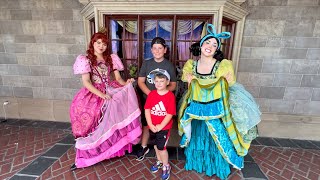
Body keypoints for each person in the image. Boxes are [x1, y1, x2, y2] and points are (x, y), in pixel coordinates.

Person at [178, 24, 260, 179]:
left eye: (215, 45)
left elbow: (229, 82)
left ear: (217, 50)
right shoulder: (192, 65)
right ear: (201, 44)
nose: (210, 46)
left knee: (218, 136)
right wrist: (190, 78)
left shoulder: (222, 65)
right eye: (208, 42)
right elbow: (187, 80)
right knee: (197, 134)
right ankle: (199, 162)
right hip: (197, 106)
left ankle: (216, 164)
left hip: (217, 106)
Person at [69, 32, 142, 170]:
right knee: (92, 120)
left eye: (104, 43)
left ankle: (114, 149)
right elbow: (86, 82)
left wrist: (127, 83)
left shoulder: (111, 58)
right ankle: (86, 156)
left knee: (117, 114)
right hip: (94, 94)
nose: (101, 46)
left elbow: (118, 79)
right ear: (92, 43)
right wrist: (102, 96)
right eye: (98, 43)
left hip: (110, 89)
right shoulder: (86, 59)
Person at [136, 37, 177, 161]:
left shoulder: (169, 65)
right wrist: (151, 95)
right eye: (155, 48)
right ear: (151, 50)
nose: (157, 51)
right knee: (146, 123)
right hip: (149, 99)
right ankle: (144, 146)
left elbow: (173, 84)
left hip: (164, 102)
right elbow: (141, 81)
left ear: (165, 50)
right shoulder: (147, 63)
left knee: (162, 123)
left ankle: (161, 150)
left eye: (160, 48)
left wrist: (161, 94)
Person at [144, 70, 176, 180]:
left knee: (162, 147)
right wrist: (150, 124)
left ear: (167, 82)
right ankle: (159, 161)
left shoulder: (170, 96)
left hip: (163, 128)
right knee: (155, 145)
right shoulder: (152, 94)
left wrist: (160, 126)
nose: (158, 83)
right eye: (156, 81)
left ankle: (166, 165)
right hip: (152, 126)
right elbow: (147, 110)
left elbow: (170, 113)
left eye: (161, 81)